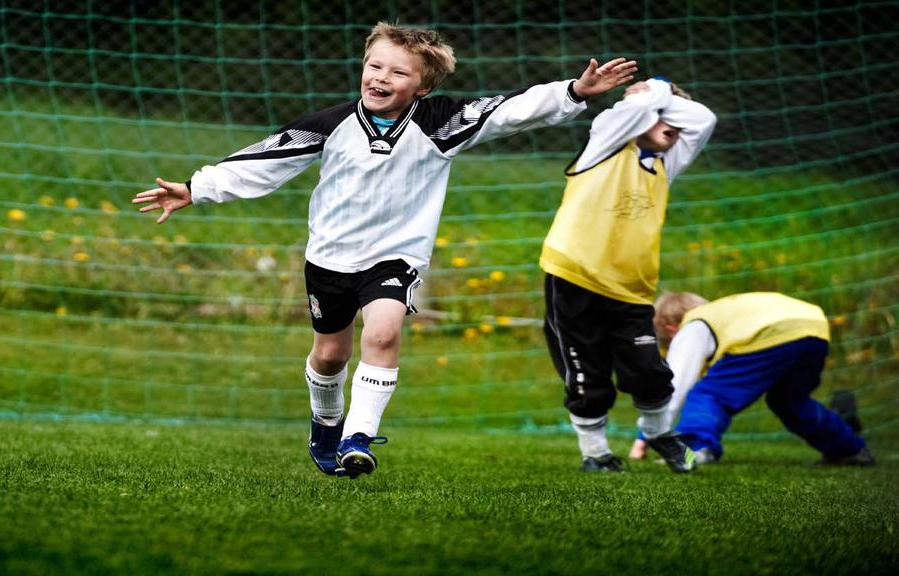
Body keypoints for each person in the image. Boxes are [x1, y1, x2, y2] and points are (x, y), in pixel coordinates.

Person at [133, 22, 638, 478]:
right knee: (330, 355)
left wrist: (572, 91)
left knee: (383, 331)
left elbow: (508, 112)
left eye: (397, 72)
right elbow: (264, 159)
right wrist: (195, 187)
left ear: (423, 85)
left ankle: (358, 436)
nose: (380, 77)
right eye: (374, 65)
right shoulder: (330, 123)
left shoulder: (442, 122)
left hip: (396, 257)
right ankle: (326, 421)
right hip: (330, 258)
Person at [538, 77, 717, 473]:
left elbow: (703, 119)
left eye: (676, 119)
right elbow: (632, 113)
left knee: (650, 373)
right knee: (588, 374)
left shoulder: (665, 164)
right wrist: (648, 98)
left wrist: (658, 90)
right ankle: (596, 453)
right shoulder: (604, 144)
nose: (675, 127)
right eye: (663, 117)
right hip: (574, 278)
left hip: (632, 291)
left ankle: (657, 433)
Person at [633, 291, 874, 466]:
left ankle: (695, 448)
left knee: (709, 394)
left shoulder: (693, 325)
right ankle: (850, 449)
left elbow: (674, 386)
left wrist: (646, 435)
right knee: (790, 401)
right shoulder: (727, 312)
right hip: (814, 328)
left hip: (771, 333)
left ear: (671, 328)